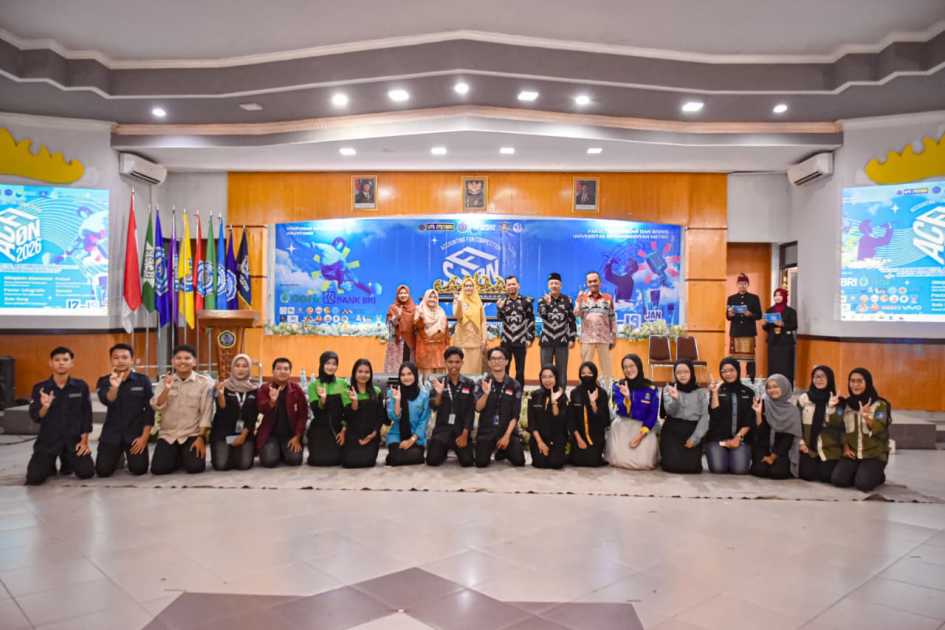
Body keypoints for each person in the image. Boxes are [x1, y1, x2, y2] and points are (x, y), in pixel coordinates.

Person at [26, 347, 95, 485]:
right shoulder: (41, 388)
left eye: (65, 359)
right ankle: (49, 463)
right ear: (51, 363)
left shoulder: (81, 386)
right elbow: (36, 416)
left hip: (73, 440)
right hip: (48, 441)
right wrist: (45, 406)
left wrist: (84, 442)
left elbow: (86, 415)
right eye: (57, 360)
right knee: (34, 478)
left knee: (86, 472)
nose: (61, 363)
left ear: (72, 363)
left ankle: (67, 461)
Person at [150, 344, 214, 475]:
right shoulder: (164, 381)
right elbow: (156, 405)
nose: (182, 361)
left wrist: (201, 438)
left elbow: (206, 412)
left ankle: (182, 455)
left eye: (187, 358)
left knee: (195, 468)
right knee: (158, 469)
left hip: (192, 434)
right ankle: (178, 456)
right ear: (173, 362)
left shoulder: (204, 383)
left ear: (194, 362)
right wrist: (167, 389)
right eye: (178, 358)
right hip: (168, 434)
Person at [95, 343, 154, 477]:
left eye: (124, 357)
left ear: (131, 360)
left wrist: (144, 437)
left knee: (139, 469)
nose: (120, 361)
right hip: (111, 434)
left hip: (135, 434)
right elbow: (107, 400)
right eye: (116, 357)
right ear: (111, 360)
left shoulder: (143, 380)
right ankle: (117, 456)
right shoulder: (104, 381)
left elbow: (149, 410)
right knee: (103, 471)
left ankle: (123, 456)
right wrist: (114, 387)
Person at [830, 368, 891, 493]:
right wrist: (845, 447)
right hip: (853, 453)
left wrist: (867, 418)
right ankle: (861, 471)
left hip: (873, 454)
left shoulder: (880, 405)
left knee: (863, 485)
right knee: (838, 480)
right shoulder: (845, 404)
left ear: (867, 383)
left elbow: (880, 428)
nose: (855, 385)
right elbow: (838, 427)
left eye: (859, 381)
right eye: (852, 381)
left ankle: (878, 475)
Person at [474, 347, 526, 467]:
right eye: (493, 358)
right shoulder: (482, 382)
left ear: (506, 361)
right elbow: (478, 408)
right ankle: (495, 449)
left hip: (506, 430)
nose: (496, 361)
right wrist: (486, 394)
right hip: (487, 431)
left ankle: (503, 451)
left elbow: (515, 415)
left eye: (500, 358)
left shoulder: (515, 384)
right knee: (481, 463)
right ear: (489, 362)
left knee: (519, 461)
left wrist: (507, 436)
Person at [608, 354, 660, 470]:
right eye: (625, 367)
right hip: (623, 423)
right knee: (617, 460)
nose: (628, 370)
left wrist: (640, 436)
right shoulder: (618, 386)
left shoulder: (651, 387)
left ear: (639, 366)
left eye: (631, 366)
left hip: (644, 426)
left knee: (645, 463)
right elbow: (620, 410)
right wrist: (627, 398)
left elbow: (652, 413)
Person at [426, 347, 476, 467]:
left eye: (457, 362)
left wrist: (465, 434)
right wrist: (439, 393)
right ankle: (443, 450)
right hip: (442, 430)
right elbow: (434, 406)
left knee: (467, 462)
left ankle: (456, 448)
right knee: (432, 461)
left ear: (462, 363)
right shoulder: (439, 382)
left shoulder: (469, 383)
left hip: (460, 431)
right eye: (450, 362)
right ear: (445, 363)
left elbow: (470, 412)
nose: (454, 365)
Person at [704, 358, 755, 475]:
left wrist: (737, 438)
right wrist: (714, 393)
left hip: (740, 439)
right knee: (718, 468)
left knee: (739, 470)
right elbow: (715, 415)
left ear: (738, 370)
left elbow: (749, 418)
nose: (728, 374)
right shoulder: (717, 390)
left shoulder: (748, 392)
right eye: (724, 371)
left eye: (731, 370)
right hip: (718, 439)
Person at [209, 354, 258, 471]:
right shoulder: (223, 386)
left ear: (249, 369)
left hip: (244, 433)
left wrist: (243, 435)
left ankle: (235, 451)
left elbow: (253, 416)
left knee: (244, 465)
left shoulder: (254, 389)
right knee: (221, 465)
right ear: (232, 368)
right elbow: (221, 410)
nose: (241, 369)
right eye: (237, 365)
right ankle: (229, 451)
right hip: (223, 433)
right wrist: (220, 395)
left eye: (245, 366)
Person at [659, 360, 709, 474]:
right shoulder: (669, 388)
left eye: (686, 372)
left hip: (692, 430)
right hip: (672, 430)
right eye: (678, 372)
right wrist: (676, 399)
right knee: (670, 466)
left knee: (692, 468)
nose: (682, 375)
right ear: (674, 374)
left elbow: (704, 417)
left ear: (691, 372)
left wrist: (695, 438)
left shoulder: (700, 392)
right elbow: (670, 412)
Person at [797, 366, 844, 483]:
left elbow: (839, 426)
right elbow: (796, 423)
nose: (819, 380)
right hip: (807, 448)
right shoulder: (804, 398)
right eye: (816, 377)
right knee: (807, 474)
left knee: (826, 476)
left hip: (828, 448)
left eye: (823, 377)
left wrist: (831, 408)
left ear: (830, 379)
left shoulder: (838, 400)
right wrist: (801, 443)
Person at [256, 357, 306, 467]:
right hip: (269, 435)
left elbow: (303, 415)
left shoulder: (296, 390)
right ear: (273, 371)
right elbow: (260, 409)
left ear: (290, 372)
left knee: (295, 460)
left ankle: (282, 451)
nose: (282, 371)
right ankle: (275, 451)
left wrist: (297, 436)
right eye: (278, 368)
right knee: (269, 462)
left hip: (290, 435)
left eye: (286, 369)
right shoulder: (265, 388)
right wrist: (272, 402)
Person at [750, 374, 801, 479]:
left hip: (782, 450)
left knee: (777, 473)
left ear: (784, 387)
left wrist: (773, 457)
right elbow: (760, 435)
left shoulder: (792, 411)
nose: (772, 390)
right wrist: (758, 414)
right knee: (760, 470)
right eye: (769, 387)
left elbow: (787, 439)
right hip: (764, 446)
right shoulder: (762, 403)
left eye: (776, 386)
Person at [307, 351, 350, 466]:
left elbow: (348, 410)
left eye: (334, 364)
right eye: (327, 363)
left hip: (338, 428)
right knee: (318, 461)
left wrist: (344, 429)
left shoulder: (343, 383)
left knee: (337, 460)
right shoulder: (313, 385)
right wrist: (322, 400)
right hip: (320, 428)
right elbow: (316, 411)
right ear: (322, 364)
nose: (331, 367)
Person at [341, 359, 385, 468]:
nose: (363, 375)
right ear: (354, 373)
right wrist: (355, 402)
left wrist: (373, 434)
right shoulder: (347, 392)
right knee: (349, 463)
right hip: (353, 435)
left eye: (367, 372)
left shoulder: (377, 391)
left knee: (368, 462)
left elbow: (380, 416)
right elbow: (348, 417)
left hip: (372, 435)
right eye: (360, 371)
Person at [575, 271, 616, 382]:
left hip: (604, 338)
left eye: (595, 281)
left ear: (600, 282)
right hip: (587, 338)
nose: (593, 283)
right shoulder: (582, 297)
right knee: (586, 367)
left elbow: (612, 317)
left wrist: (614, 336)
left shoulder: (608, 298)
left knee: (606, 368)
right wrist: (578, 301)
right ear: (587, 283)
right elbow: (576, 314)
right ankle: (584, 390)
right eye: (590, 281)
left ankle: (607, 390)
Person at [385, 362, 429, 466]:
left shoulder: (424, 395)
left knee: (411, 456)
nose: (406, 377)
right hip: (396, 434)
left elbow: (424, 421)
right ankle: (397, 456)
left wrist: (411, 440)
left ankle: (397, 457)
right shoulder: (393, 393)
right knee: (397, 458)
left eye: (409, 374)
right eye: (403, 375)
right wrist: (397, 400)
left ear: (415, 375)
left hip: (416, 437)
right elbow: (394, 418)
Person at [538, 272, 577, 388]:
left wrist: (572, 338)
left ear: (561, 285)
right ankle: (545, 394)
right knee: (546, 370)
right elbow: (542, 316)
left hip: (562, 340)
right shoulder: (542, 300)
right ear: (548, 285)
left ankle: (561, 394)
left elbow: (572, 320)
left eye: (556, 283)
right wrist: (547, 304)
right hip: (546, 340)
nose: (554, 285)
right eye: (552, 283)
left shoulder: (568, 300)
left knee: (562, 371)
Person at [568, 361, 610, 467]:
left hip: (595, 438)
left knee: (592, 462)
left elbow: (605, 421)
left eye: (589, 373)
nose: (586, 376)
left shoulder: (602, 393)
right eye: (583, 373)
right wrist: (579, 439)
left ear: (595, 374)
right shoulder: (575, 393)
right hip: (578, 436)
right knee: (577, 461)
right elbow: (571, 419)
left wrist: (593, 404)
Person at [496, 276, 535, 387]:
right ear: (505, 287)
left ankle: (519, 392)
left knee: (520, 370)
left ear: (518, 285)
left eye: (513, 284)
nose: (511, 286)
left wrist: (530, 338)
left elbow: (531, 320)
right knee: (504, 368)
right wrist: (500, 308)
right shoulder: (502, 301)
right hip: (506, 341)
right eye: (509, 284)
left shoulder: (526, 301)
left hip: (521, 341)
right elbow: (500, 318)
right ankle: (504, 391)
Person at [528, 365, 568, 469]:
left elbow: (560, 420)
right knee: (540, 464)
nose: (547, 380)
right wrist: (540, 442)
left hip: (556, 438)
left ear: (556, 378)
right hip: (539, 438)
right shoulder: (534, 395)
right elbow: (532, 423)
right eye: (544, 377)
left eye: (550, 376)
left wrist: (554, 402)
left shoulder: (562, 396)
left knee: (556, 464)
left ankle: (562, 455)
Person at [726, 273, 762, 378]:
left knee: (750, 359)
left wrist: (750, 314)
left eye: (745, 283)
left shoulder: (754, 298)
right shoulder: (731, 298)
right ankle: (734, 378)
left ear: (748, 284)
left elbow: (759, 315)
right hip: (736, 332)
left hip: (748, 332)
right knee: (734, 359)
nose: (742, 285)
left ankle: (751, 379)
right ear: (737, 284)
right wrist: (730, 314)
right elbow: (728, 316)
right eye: (740, 283)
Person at [452, 276, 487, 375]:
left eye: (471, 285)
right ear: (463, 287)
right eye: (466, 286)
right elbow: (457, 316)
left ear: (474, 287)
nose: (468, 288)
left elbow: (483, 321)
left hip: (475, 340)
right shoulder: (458, 300)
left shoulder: (478, 302)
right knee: (461, 367)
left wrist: (484, 338)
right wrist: (459, 302)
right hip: (461, 340)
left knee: (475, 368)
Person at [763, 288, 798, 384]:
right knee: (773, 366)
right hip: (773, 342)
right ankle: (772, 385)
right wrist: (765, 324)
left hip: (786, 343)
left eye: (780, 295)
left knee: (786, 367)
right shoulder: (769, 310)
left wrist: (783, 324)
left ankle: (787, 387)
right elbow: (766, 328)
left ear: (784, 297)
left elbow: (794, 326)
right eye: (775, 295)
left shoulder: (791, 311)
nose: (777, 297)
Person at [413, 289, 449, 378]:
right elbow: (416, 327)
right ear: (425, 298)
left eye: (435, 297)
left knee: (440, 378)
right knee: (426, 378)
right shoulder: (420, 310)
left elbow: (446, 332)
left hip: (439, 350)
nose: (432, 299)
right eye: (430, 297)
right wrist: (420, 318)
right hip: (425, 349)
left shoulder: (441, 312)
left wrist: (447, 347)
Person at [384, 284, 416, 374]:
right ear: (397, 295)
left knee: (409, 365)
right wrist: (397, 316)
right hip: (397, 341)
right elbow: (390, 324)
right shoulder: (393, 308)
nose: (403, 295)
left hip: (410, 340)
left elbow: (416, 323)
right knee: (395, 366)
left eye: (405, 293)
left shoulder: (414, 308)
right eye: (400, 293)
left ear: (408, 294)